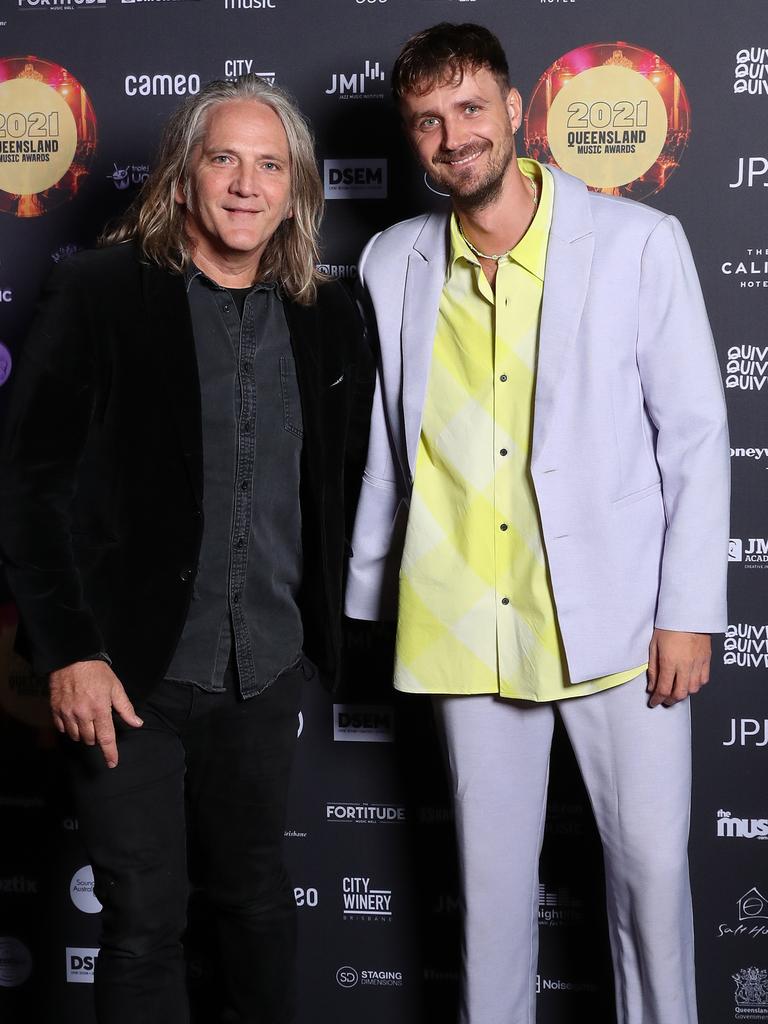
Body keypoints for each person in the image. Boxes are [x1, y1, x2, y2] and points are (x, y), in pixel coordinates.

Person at [344, 23, 729, 1024]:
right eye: (427, 121)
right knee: (491, 897)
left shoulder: (638, 243)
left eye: (471, 109)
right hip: (462, 617)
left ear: (517, 112)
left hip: (616, 621)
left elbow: (693, 433)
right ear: (411, 137)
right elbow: (396, 441)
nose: (452, 136)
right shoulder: (392, 260)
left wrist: (687, 611)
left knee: (650, 879)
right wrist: (366, 593)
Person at [0, 75, 372, 1024]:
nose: (247, 184)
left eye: (270, 164)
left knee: (252, 904)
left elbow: (342, 487)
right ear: (180, 178)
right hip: (126, 675)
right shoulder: (98, 293)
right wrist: (69, 651)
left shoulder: (331, 316)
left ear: (294, 191)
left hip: (265, 667)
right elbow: (26, 483)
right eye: (224, 159)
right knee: (142, 922)